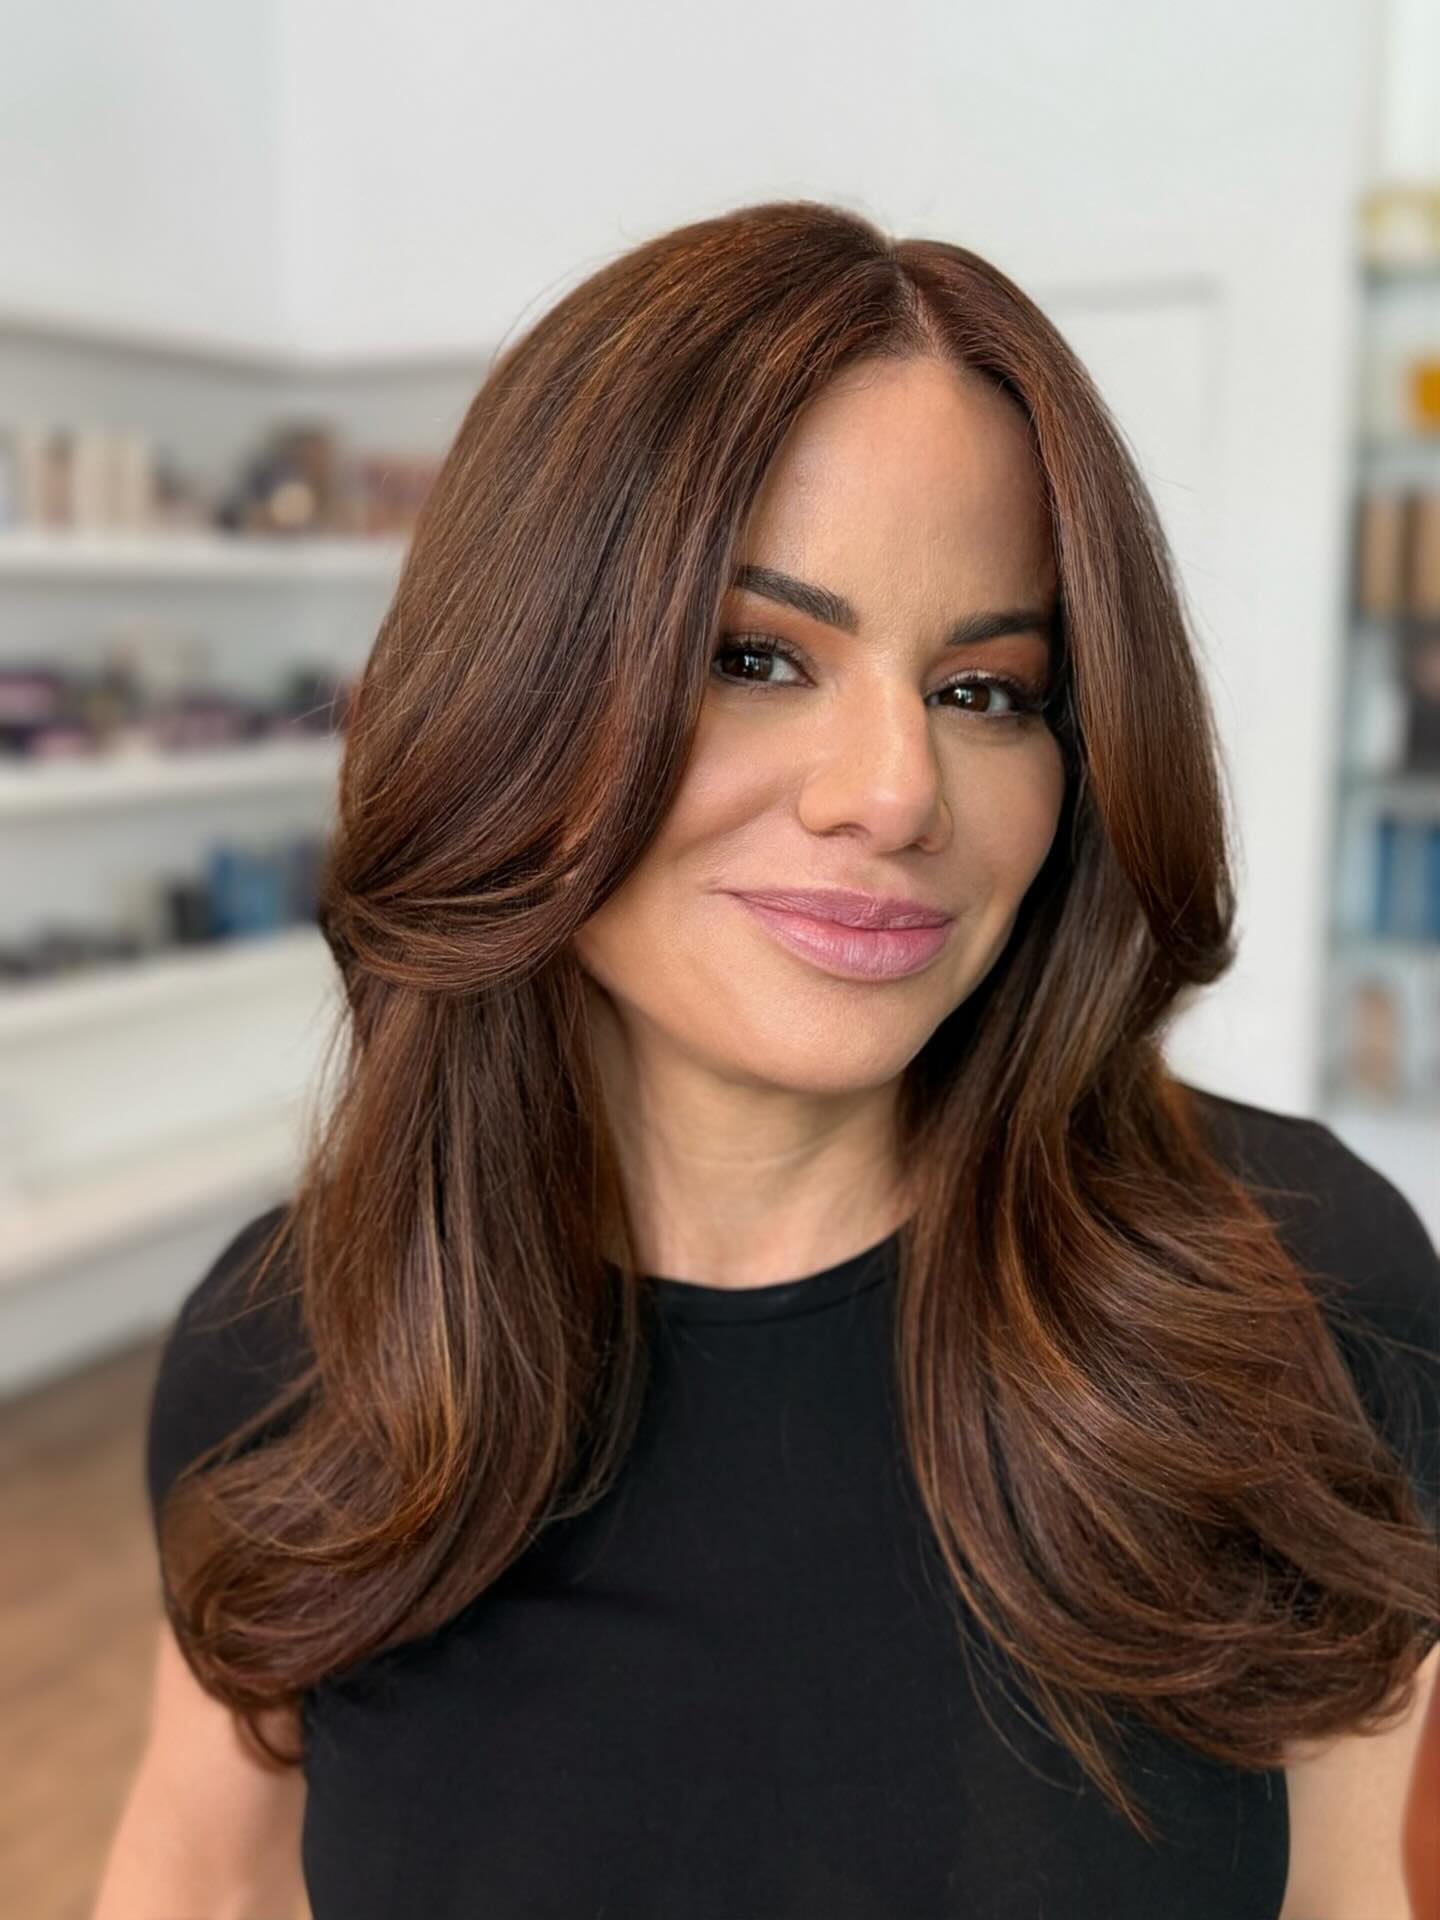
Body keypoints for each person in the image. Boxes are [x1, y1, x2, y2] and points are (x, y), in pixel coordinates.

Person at [93, 199, 1439, 1920]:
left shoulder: (1297, 1290)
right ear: (514, 696)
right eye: (754, 656)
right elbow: (192, 1884)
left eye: (987, 690)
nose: (895, 790)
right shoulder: (290, 1347)